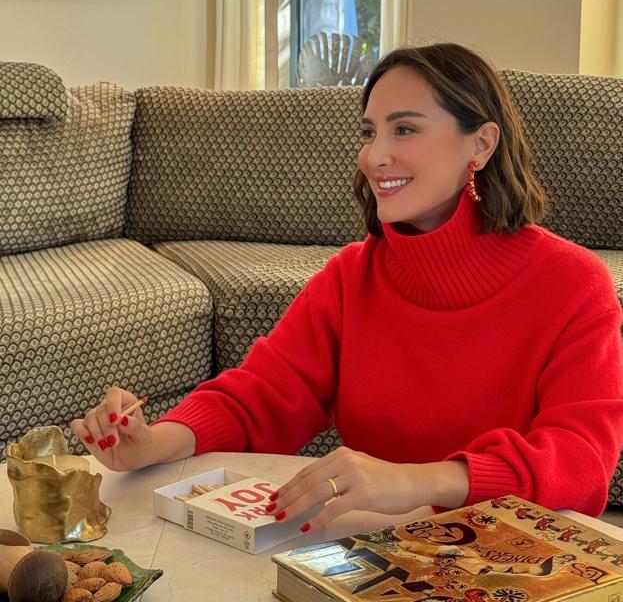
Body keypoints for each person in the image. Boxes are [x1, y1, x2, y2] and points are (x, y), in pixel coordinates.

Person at [71, 43, 623, 535]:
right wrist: (153, 442)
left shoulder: (574, 284)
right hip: (373, 551)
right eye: (369, 131)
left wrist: (416, 482)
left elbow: (580, 461)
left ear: (479, 144)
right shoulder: (351, 277)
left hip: (517, 557)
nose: (375, 155)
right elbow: (260, 395)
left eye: (404, 129)